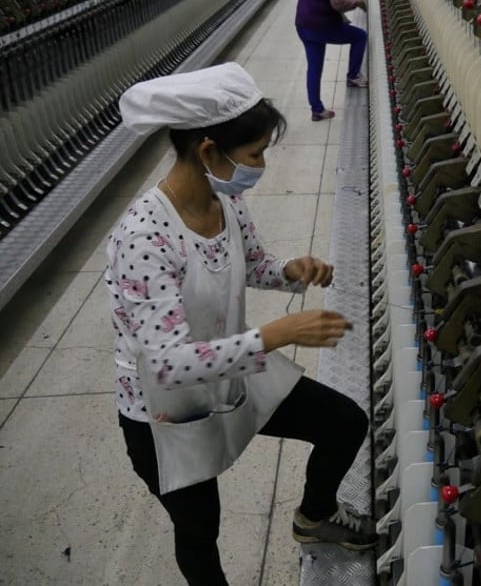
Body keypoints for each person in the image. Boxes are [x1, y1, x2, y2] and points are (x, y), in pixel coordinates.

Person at [108, 63, 377, 586]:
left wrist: (290, 270)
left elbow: (253, 263)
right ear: (209, 151)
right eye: (255, 155)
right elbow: (167, 364)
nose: (261, 166)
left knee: (345, 421)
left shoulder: (224, 199)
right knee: (199, 528)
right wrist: (278, 334)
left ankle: (315, 516)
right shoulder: (143, 238)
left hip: (231, 368)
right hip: (166, 412)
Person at [296, 0, 368, 122]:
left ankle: (317, 110)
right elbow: (339, 4)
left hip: (303, 24)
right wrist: (358, 2)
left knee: (314, 67)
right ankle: (353, 76)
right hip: (320, 26)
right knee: (360, 36)